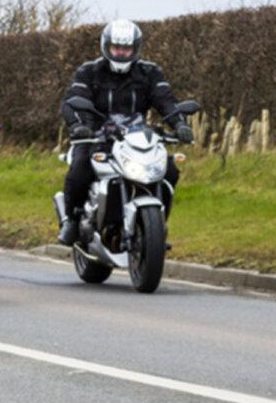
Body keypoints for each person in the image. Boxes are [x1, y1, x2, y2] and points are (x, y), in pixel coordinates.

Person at [57, 19, 194, 245]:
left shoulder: (149, 72)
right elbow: (71, 102)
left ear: (135, 48)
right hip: (96, 135)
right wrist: (78, 126)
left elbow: (166, 101)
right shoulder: (89, 71)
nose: (121, 53)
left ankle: (157, 227)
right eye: (117, 48)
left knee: (169, 169)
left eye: (127, 48)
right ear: (106, 46)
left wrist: (180, 125)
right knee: (80, 167)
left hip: (136, 134)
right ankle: (71, 220)